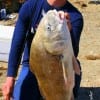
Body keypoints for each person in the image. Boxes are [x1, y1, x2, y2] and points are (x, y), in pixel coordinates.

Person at [2, 0, 83, 100]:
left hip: (60, 65)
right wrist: (10, 77)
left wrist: (68, 32)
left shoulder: (75, 17)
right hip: (34, 67)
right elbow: (17, 43)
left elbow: (73, 53)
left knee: (73, 75)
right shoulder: (30, 6)